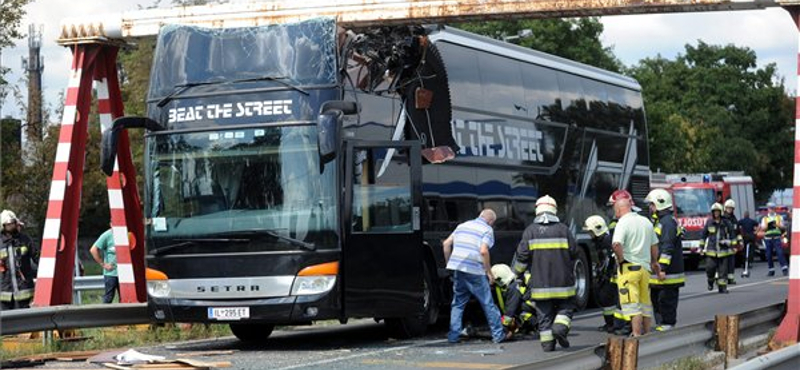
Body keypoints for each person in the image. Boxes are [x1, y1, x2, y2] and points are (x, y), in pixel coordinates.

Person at [512, 195, 577, 352]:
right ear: (554, 210)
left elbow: (522, 257)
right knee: (566, 307)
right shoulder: (564, 230)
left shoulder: (530, 232)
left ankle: (548, 345)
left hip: (540, 285)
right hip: (563, 284)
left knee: (544, 315)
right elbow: (574, 252)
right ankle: (560, 329)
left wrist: (518, 275)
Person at [443, 209, 506, 344]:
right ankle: (498, 335)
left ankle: (453, 336)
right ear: (491, 221)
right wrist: (489, 273)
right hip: (475, 271)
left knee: (458, 304)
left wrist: (449, 264)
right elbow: (483, 251)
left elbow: (446, 244)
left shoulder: (462, 226)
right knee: (488, 303)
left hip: (458, 269)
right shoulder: (487, 230)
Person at [610, 190, 661, 337]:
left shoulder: (622, 223)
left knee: (633, 305)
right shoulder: (646, 222)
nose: (615, 211)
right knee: (645, 304)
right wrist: (654, 262)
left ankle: (637, 335)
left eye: (615, 208)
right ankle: (647, 334)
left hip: (629, 268)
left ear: (619, 208)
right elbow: (654, 246)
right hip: (645, 269)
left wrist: (621, 260)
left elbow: (616, 244)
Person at [645, 189, 685, 332]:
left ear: (659, 204)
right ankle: (662, 327)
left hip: (668, 275)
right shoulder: (662, 221)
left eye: (652, 204)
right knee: (658, 303)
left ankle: (667, 331)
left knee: (666, 303)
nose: (650, 208)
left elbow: (667, 248)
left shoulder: (667, 223)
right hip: (660, 274)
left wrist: (661, 268)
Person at [583, 215, 617, 333]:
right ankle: (610, 323)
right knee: (604, 299)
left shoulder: (607, 241)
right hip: (605, 275)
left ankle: (614, 324)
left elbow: (611, 258)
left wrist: (609, 273)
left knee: (608, 299)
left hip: (611, 276)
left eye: (590, 232)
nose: (589, 235)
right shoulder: (599, 241)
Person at [1, 210, 37, 310]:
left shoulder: (25, 240)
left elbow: (37, 257)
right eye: (8, 224)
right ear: (3, 226)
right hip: (4, 294)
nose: (11, 226)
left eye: (12, 223)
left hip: (23, 291)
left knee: (24, 322)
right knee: (6, 324)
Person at [490, 263, 535, 336]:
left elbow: (511, 309)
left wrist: (504, 327)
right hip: (530, 305)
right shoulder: (507, 285)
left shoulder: (513, 287)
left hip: (532, 308)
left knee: (521, 311)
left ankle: (534, 325)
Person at [700, 203, 734, 293]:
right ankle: (710, 281)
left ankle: (722, 287)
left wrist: (729, 242)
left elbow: (732, 235)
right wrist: (701, 247)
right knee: (710, 268)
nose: (716, 213)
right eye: (714, 212)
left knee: (723, 271)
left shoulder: (726, 223)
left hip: (723, 251)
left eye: (717, 212)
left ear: (721, 212)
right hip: (711, 252)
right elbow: (703, 235)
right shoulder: (709, 222)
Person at [90, 226, 119, 304]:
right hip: (111, 273)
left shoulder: (126, 234)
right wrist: (103, 264)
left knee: (125, 298)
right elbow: (93, 249)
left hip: (124, 273)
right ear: (111, 224)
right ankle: (105, 314)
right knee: (109, 297)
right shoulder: (107, 235)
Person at [759, 202, 789, 276]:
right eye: (770, 209)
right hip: (768, 238)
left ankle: (784, 269)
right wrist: (767, 226)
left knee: (780, 253)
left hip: (776, 238)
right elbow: (762, 228)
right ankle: (771, 270)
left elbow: (783, 227)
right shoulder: (764, 218)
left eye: (772, 209)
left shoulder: (779, 217)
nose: (771, 210)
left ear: (774, 209)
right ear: (768, 209)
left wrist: (778, 225)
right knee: (768, 255)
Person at [722, 199, 740, 285]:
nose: (730, 210)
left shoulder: (734, 219)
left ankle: (730, 278)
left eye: (731, 208)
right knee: (723, 262)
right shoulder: (722, 218)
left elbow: (737, 231)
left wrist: (739, 241)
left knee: (731, 261)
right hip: (723, 243)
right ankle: (721, 278)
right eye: (728, 208)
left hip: (732, 244)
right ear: (725, 208)